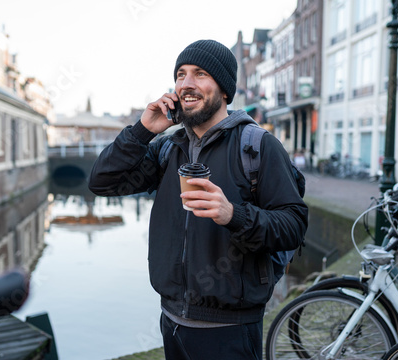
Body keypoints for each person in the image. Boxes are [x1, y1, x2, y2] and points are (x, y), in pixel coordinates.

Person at [89, 39, 308, 360]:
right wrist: (142, 131)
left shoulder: (257, 146)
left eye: (200, 74)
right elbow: (102, 182)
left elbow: (293, 225)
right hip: (172, 321)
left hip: (229, 329)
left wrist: (234, 214)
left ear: (224, 90)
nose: (186, 84)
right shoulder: (168, 147)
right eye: (180, 74)